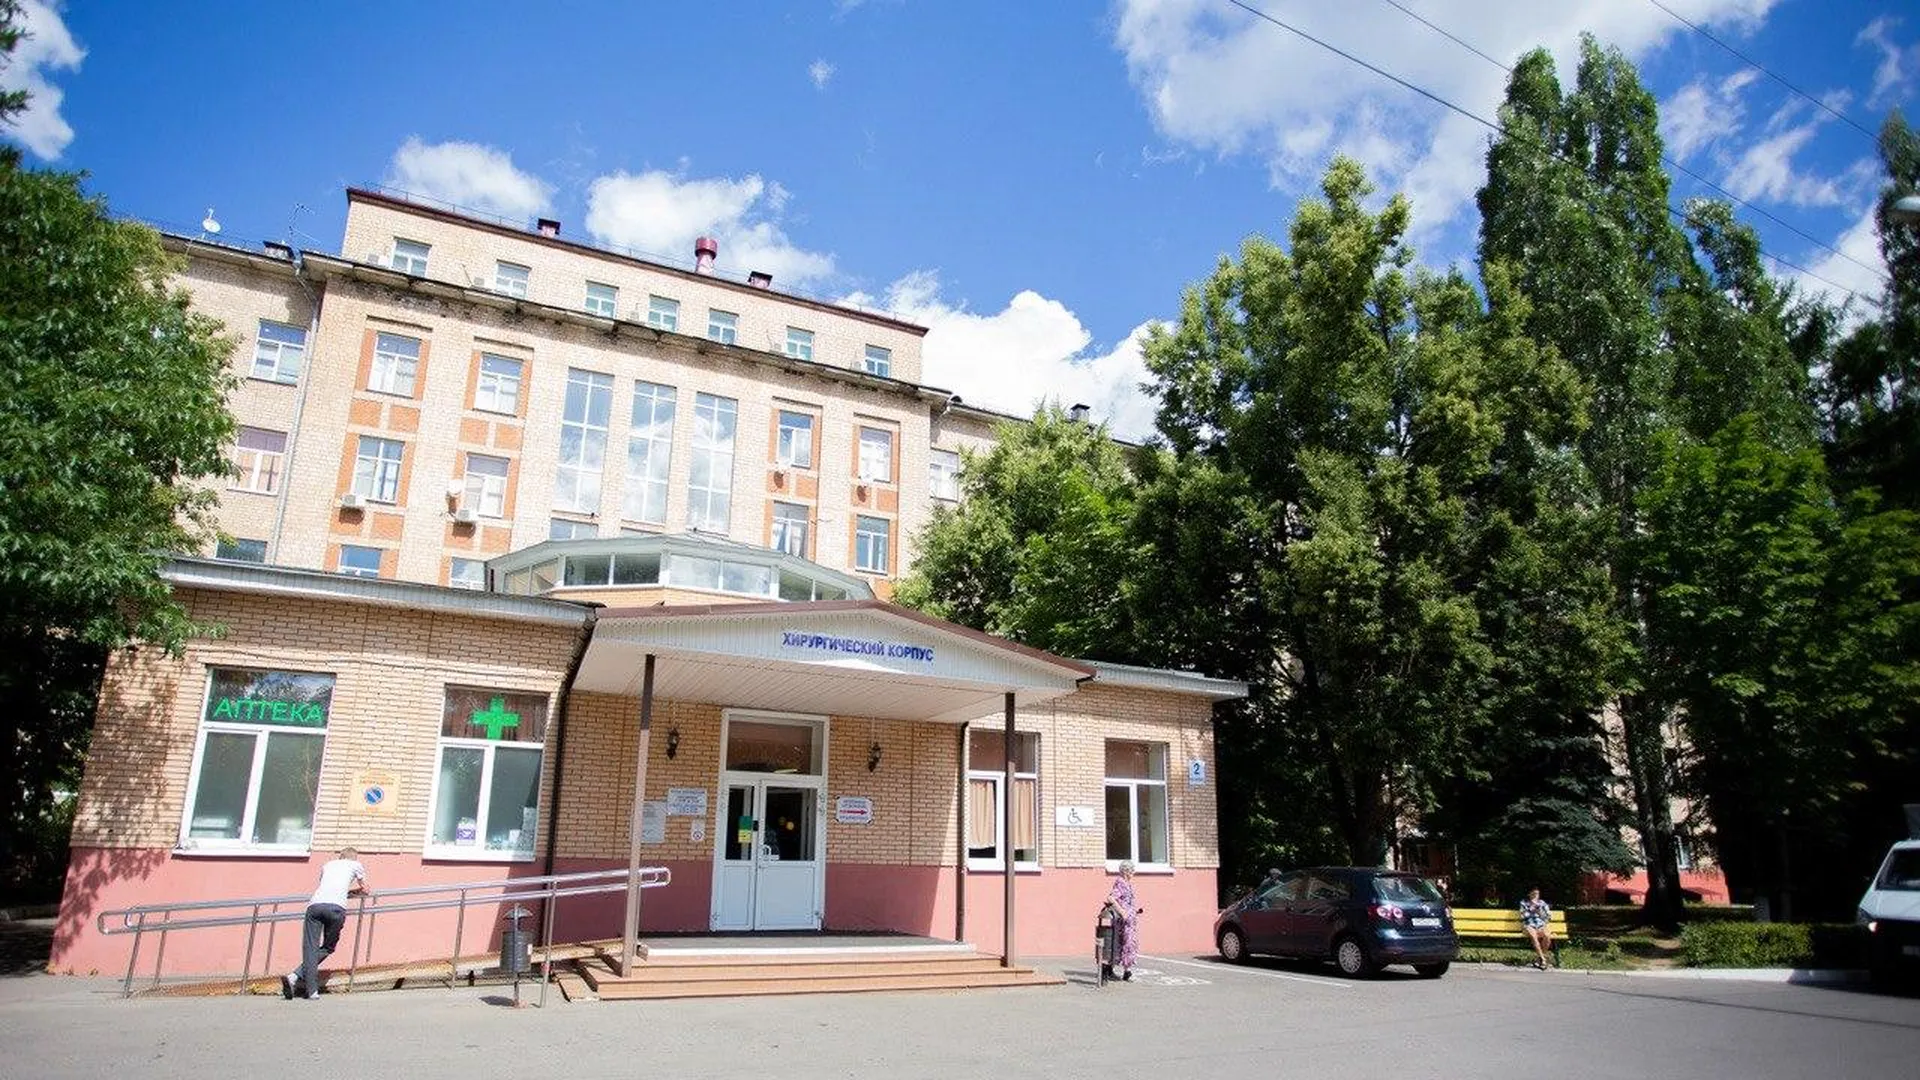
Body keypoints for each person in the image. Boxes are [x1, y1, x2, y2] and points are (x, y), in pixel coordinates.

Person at [284, 847, 367, 1000]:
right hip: (336, 909)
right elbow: (364, 888)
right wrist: (357, 892)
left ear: (341, 856)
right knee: (328, 947)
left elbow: (328, 887)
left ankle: (303, 985)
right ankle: (296, 978)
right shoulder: (356, 865)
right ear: (354, 857)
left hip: (315, 906)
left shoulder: (328, 865)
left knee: (310, 948)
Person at [1103, 861, 1143, 982]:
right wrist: (1122, 912)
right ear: (1126, 871)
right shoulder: (1120, 883)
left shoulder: (1127, 884)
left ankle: (1125, 970)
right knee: (1122, 943)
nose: (1133, 873)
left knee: (1128, 944)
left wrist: (1133, 911)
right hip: (1123, 922)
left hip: (1129, 922)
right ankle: (1111, 969)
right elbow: (1110, 898)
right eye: (1132, 871)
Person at [1519, 887, 1552, 970]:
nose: (1535, 896)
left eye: (1537, 894)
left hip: (1541, 925)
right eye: (1533, 894)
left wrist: (1540, 913)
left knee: (1547, 936)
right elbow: (1522, 916)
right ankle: (1543, 960)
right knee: (1534, 936)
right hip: (1528, 924)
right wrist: (1531, 909)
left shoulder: (1542, 903)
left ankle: (1539, 958)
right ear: (1529, 894)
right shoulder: (1524, 903)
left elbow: (1548, 917)